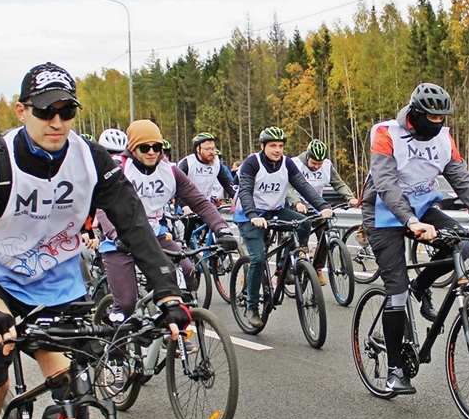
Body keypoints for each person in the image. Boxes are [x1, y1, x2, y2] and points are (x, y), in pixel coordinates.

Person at [0, 62, 190, 419]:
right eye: (45, 111)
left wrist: (168, 292)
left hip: (59, 282)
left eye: (66, 111)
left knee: (75, 388)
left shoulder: (93, 161)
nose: (56, 122)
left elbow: (134, 226)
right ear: (22, 111)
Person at [361, 83, 469, 395]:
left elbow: (464, 181)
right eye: (431, 117)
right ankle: (394, 370)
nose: (437, 123)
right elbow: (386, 184)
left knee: (463, 244)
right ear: (415, 113)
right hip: (384, 213)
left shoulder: (444, 137)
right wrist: (410, 221)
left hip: (423, 207)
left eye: (442, 118)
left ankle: (422, 285)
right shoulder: (386, 133)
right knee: (396, 291)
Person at [96, 120, 238, 320]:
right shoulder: (120, 168)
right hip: (120, 240)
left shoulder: (170, 171)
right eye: (145, 147)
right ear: (132, 148)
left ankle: (171, 330)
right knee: (127, 303)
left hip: (154, 235)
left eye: (157, 147)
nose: (152, 152)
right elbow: (104, 206)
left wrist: (221, 229)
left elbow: (200, 202)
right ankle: (115, 347)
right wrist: (115, 233)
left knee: (188, 271)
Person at [233, 126, 333, 331]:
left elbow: (303, 186)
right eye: (272, 146)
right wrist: (252, 215)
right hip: (249, 215)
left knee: (304, 223)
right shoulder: (252, 163)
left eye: (280, 146)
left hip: (274, 210)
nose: (277, 150)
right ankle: (252, 307)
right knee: (258, 259)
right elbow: (245, 190)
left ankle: (283, 267)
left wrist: (323, 206)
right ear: (263, 146)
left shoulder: (287, 164)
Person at [288, 139, 359, 281]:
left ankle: (318, 267)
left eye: (319, 164)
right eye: (314, 163)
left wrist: (350, 197)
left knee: (325, 233)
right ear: (308, 157)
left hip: (316, 205)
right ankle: (299, 254)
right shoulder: (294, 164)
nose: (316, 167)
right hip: (297, 204)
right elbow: (288, 187)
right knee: (302, 228)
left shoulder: (327, 166)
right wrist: (297, 202)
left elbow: (339, 184)